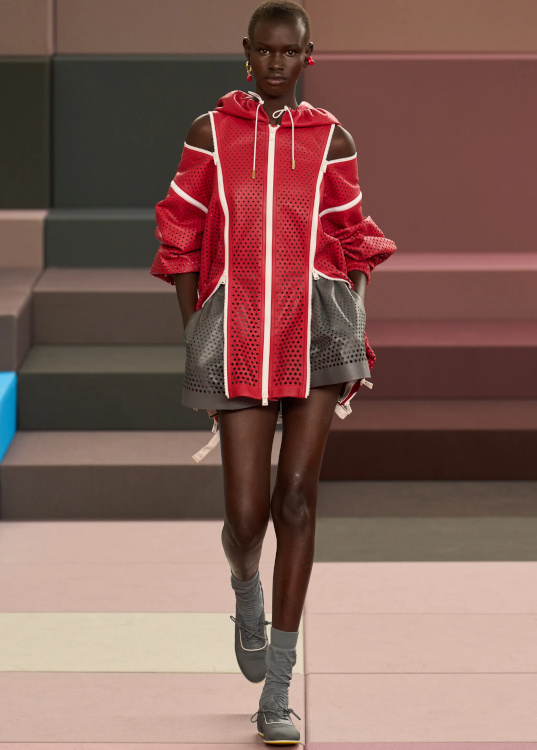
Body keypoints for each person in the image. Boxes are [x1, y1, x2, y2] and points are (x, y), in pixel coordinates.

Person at [150, 0, 397, 743]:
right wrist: (196, 334)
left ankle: (278, 691)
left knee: (296, 499)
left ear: (308, 56)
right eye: (265, 50)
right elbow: (182, 236)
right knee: (245, 516)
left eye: (290, 52)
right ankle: (244, 583)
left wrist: (354, 324)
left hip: (316, 330)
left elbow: (353, 239)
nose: (277, 63)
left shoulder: (332, 139)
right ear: (247, 52)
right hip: (236, 334)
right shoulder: (210, 133)